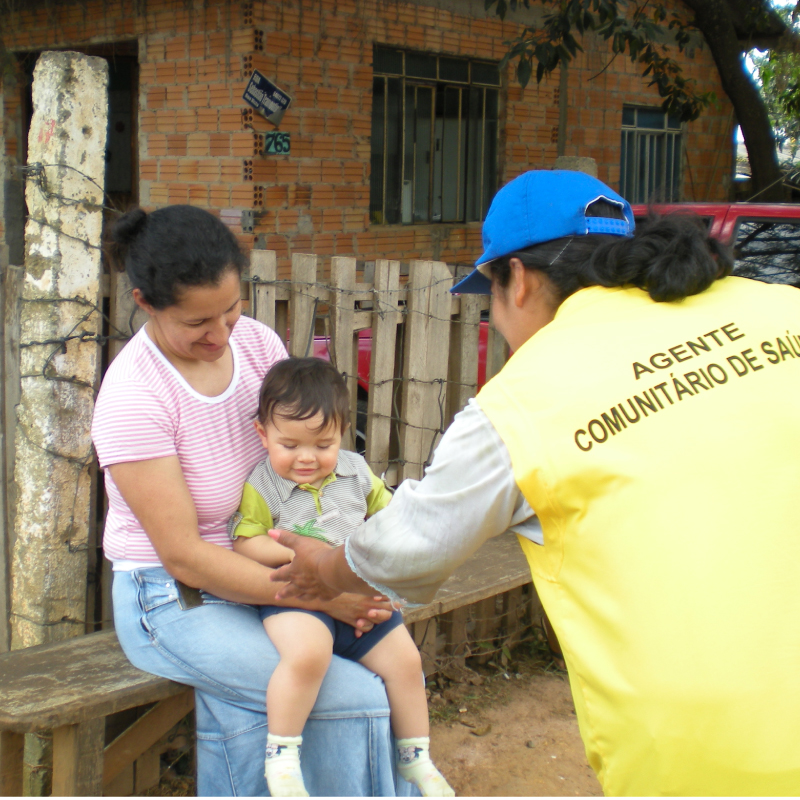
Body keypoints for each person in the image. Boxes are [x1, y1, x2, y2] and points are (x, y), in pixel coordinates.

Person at [267, 170, 800, 795]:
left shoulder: (524, 403)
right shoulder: (780, 308)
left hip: (711, 746)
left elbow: (413, 542)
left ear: (515, 279)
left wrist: (325, 571)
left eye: (488, 295)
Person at [91, 204, 416, 797]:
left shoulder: (259, 346)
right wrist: (326, 594)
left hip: (270, 568)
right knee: (354, 695)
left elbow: (306, 462)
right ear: (145, 302)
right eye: (197, 324)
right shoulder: (133, 396)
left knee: (321, 686)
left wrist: (343, 571)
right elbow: (184, 556)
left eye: (231, 310)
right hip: (173, 599)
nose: (220, 336)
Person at [230, 356, 454, 797]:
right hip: (295, 594)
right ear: (263, 435)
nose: (307, 458)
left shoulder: (355, 472)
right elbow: (245, 542)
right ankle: (283, 756)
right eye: (290, 446)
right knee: (308, 656)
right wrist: (309, 559)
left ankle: (416, 757)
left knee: (407, 662)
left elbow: (388, 516)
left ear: (342, 433)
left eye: (323, 444)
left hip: (356, 594)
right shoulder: (262, 484)